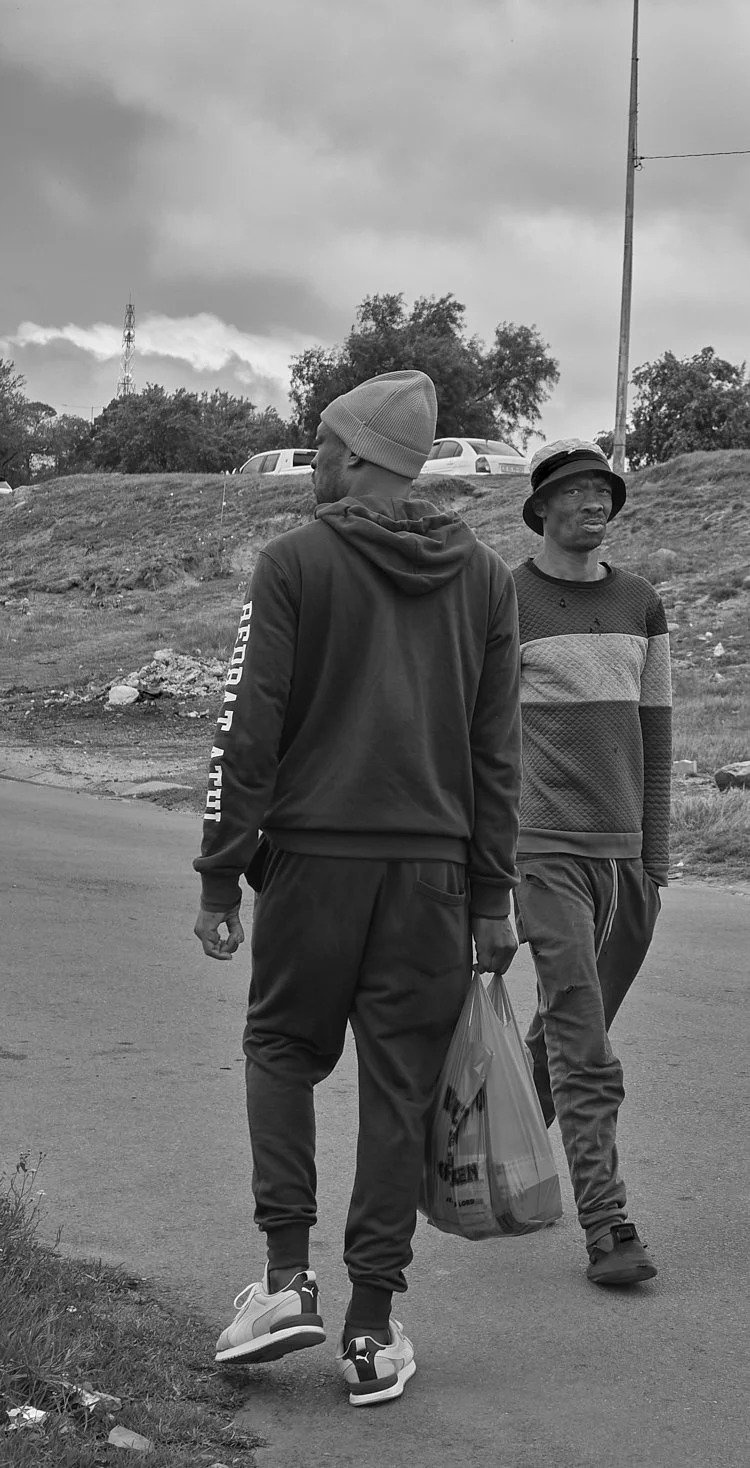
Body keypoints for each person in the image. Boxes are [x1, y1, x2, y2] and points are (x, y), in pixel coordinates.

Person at [193, 369, 522, 1405]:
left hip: (313, 865)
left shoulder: (294, 563)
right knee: (400, 1092)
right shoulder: (486, 580)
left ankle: (287, 1282)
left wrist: (219, 872)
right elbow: (494, 752)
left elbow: (251, 724)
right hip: (430, 877)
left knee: (282, 1050)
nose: (316, 460)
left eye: (325, 443)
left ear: (358, 456)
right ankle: (373, 1332)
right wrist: (490, 896)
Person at [511, 437, 672, 1286]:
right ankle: (608, 1229)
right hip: (543, 850)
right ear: (540, 509)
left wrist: (656, 858)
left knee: (564, 1035)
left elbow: (656, 732)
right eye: (574, 491)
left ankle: (479, 1162)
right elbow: (484, 736)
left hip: (627, 864)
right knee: (586, 1046)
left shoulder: (641, 602)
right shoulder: (507, 599)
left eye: (604, 490)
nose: (594, 502)